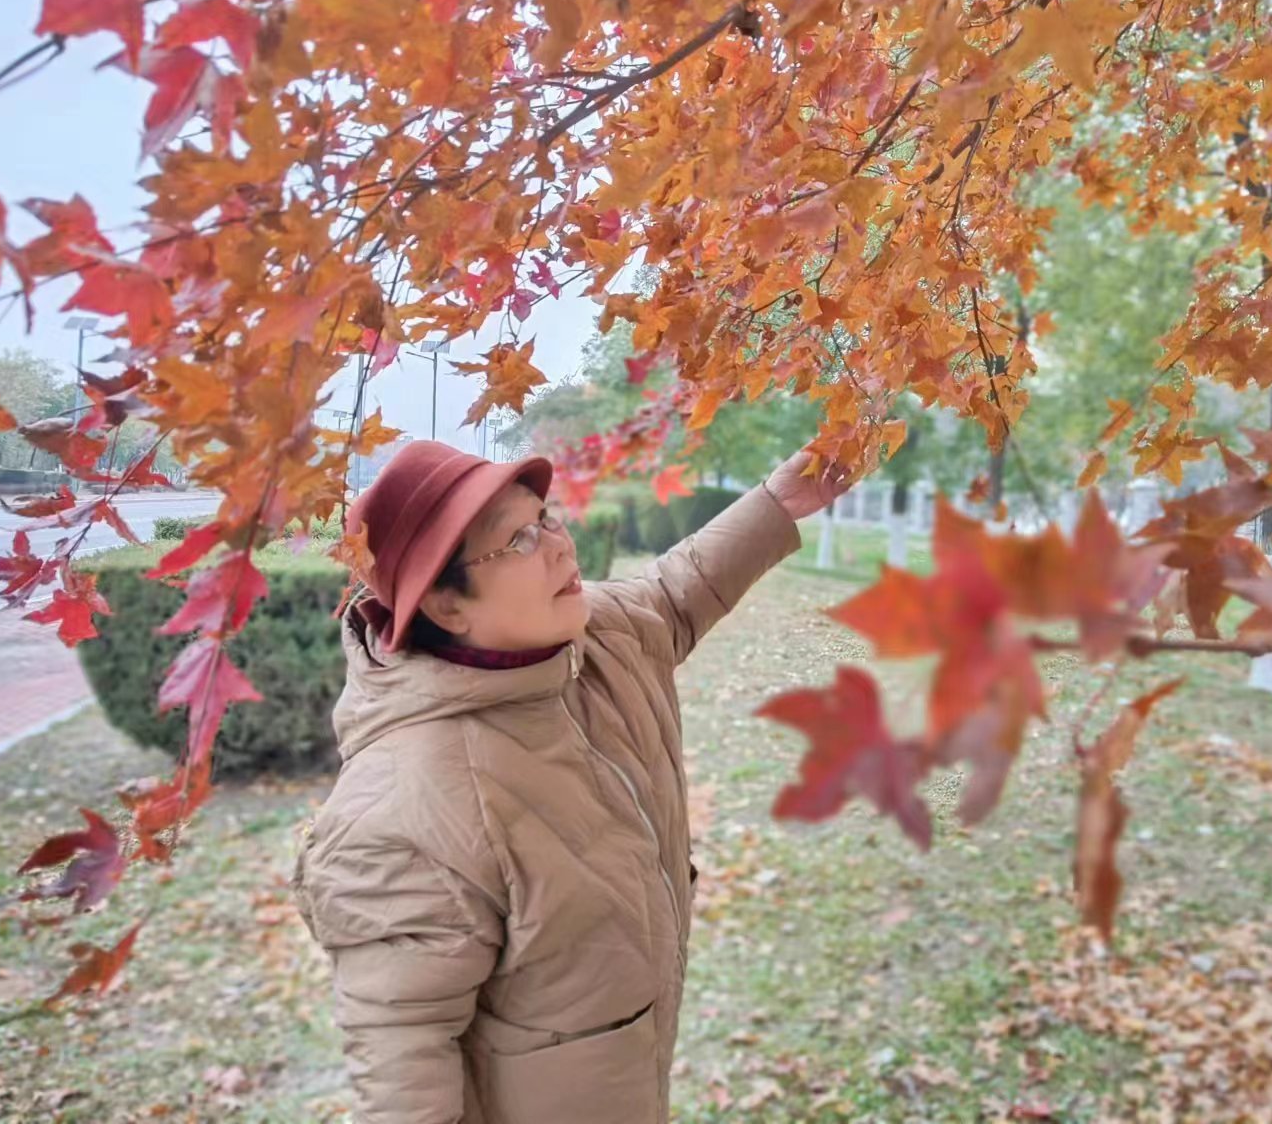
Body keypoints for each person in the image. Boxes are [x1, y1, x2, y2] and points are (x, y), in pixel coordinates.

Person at [292, 439, 857, 1123]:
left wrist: (778, 504)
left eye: (547, 518)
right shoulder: (404, 812)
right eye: (520, 540)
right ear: (445, 606)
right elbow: (402, 1074)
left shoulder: (591, 638)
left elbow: (674, 595)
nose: (561, 545)